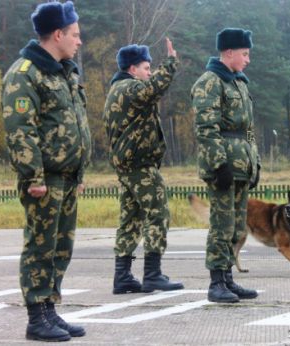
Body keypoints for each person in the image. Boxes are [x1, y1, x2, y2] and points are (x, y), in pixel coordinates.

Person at [1, 1, 90, 341]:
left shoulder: (65, 71)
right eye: (75, 35)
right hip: (45, 179)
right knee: (40, 247)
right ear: (57, 34)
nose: (79, 42)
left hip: (66, 178)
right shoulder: (25, 74)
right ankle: (37, 317)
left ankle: (51, 309)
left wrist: (79, 174)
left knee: (61, 248)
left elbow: (75, 126)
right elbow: (21, 130)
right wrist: (33, 177)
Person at [104, 39, 184, 295]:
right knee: (157, 214)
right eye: (146, 67)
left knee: (130, 219)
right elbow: (154, 87)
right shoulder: (128, 88)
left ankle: (123, 276)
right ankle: (152, 274)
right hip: (139, 165)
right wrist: (170, 62)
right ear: (132, 68)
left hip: (128, 166)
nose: (149, 72)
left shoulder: (118, 89)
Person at [191, 28, 261, 303]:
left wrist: (254, 163)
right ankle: (216, 281)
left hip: (241, 163)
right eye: (244, 54)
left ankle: (229, 278)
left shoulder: (239, 83)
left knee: (236, 225)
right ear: (228, 52)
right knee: (221, 224)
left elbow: (248, 129)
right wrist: (219, 165)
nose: (248, 60)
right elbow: (206, 128)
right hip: (224, 166)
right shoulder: (210, 83)